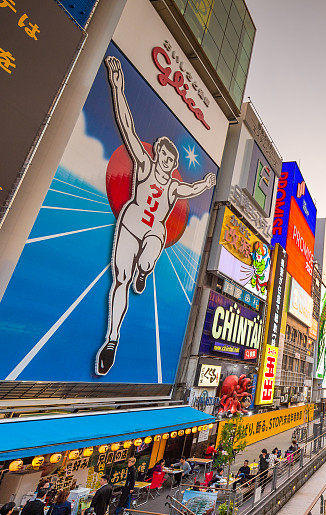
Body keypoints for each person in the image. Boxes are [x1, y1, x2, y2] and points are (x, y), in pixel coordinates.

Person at [95, 56, 216, 376]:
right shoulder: (144, 167)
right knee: (119, 279)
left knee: (150, 251)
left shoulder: (174, 186)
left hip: (152, 234)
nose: (164, 160)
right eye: (161, 154)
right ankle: (111, 340)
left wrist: (204, 183)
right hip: (130, 224)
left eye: (169, 158)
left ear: (173, 162)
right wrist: (117, 87)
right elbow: (127, 126)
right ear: (157, 154)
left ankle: (145, 270)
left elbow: (192, 191)